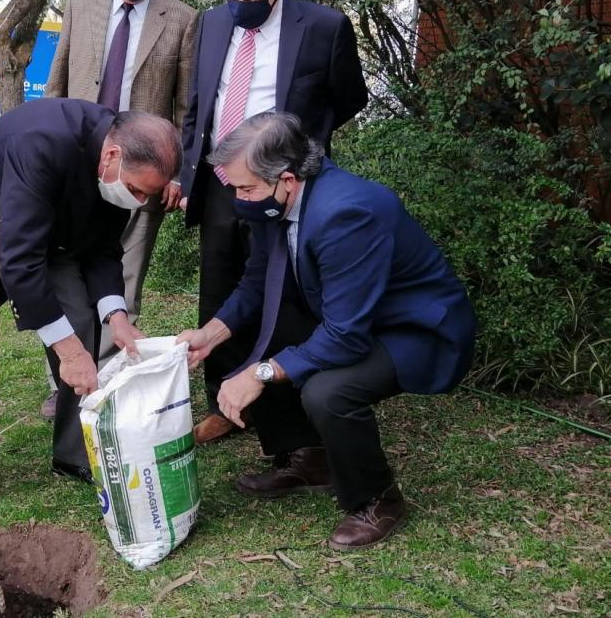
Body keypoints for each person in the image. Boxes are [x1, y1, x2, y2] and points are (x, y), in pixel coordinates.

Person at [179, 112, 476, 550]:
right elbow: (258, 281)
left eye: (245, 188)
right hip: (352, 316)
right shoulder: (273, 201)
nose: (238, 198)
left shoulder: (348, 213)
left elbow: (345, 336)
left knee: (328, 391)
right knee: (268, 335)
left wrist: (258, 374)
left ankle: (378, 499)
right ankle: (313, 460)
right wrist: (212, 333)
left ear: (287, 179)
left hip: (415, 329)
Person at [0, 98, 181, 517]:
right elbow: (19, 260)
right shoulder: (44, 142)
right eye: (136, 190)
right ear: (112, 155)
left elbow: (103, 248)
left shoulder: (119, 171)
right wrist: (68, 353)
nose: (140, 201)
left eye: (147, 194)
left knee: (80, 320)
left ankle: (72, 453)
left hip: (50, 231)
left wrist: (117, 317)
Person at [179, 0, 369, 444]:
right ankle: (223, 399)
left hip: (283, 184)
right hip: (221, 182)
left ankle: (283, 400)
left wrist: (304, 148)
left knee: (281, 290)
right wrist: (187, 169)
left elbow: (349, 98)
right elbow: (201, 101)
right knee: (220, 287)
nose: (237, 7)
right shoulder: (213, 22)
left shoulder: (324, 27)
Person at [43, 0, 196, 420]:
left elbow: (184, 108)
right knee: (65, 270)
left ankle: (106, 382)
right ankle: (65, 380)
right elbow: (57, 85)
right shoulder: (80, 5)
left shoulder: (181, 19)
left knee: (124, 278)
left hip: (143, 174)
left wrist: (177, 174)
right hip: (77, 168)